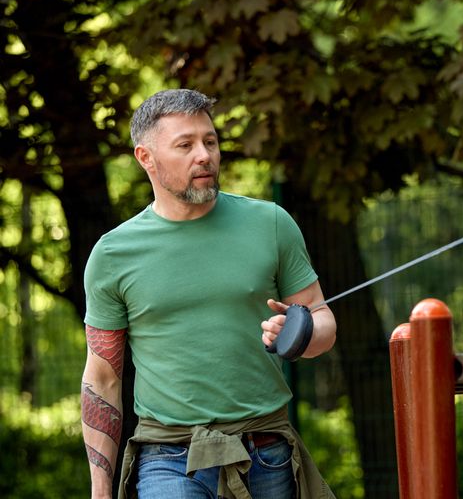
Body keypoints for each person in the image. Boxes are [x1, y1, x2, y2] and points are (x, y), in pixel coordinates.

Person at [80, 88, 337, 499]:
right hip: (167, 458)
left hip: (265, 450)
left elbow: (323, 323)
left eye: (210, 141)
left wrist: (301, 332)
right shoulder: (113, 254)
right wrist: (99, 490)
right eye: (185, 145)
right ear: (146, 158)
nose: (205, 154)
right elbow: (103, 376)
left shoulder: (271, 223)